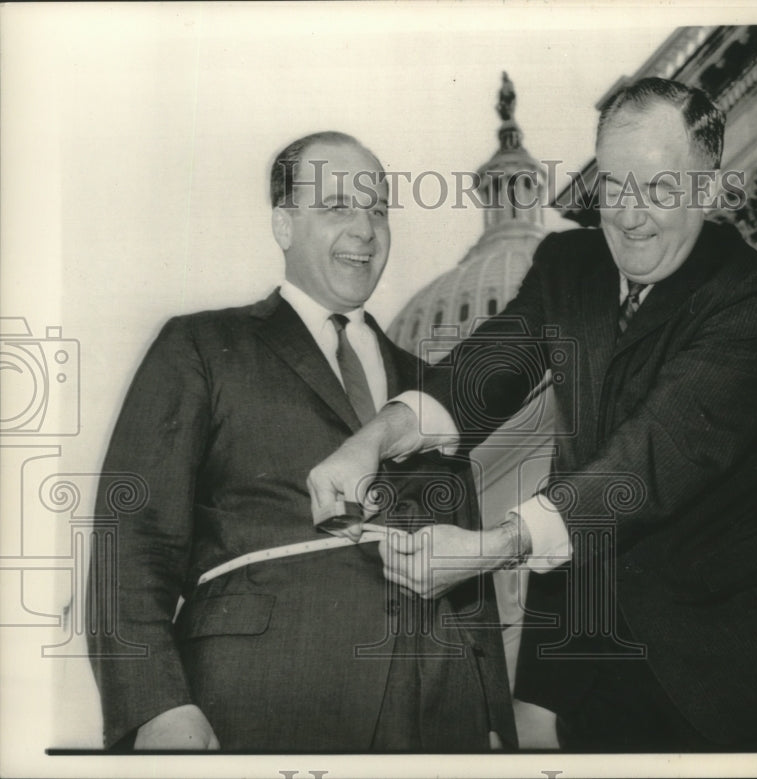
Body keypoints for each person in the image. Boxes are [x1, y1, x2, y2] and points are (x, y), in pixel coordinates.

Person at [307, 80, 757, 751]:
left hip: (722, 666)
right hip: (587, 661)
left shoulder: (750, 292)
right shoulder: (568, 263)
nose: (629, 217)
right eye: (613, 186)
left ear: (706, 188)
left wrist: (492, 548)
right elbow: (479, 374)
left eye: (660, 190)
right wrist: (370, 439)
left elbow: (649, 458)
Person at [87, 131, 515, 752]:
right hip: (261, 696)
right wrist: (156, 705)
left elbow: (469, 586)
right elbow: (131, 540)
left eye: (378, 210)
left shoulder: (430, 394)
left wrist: (493, 720)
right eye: (338, 206)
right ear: (284, 224)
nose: (366, 230)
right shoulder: (201, 347)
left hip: (438, 714)